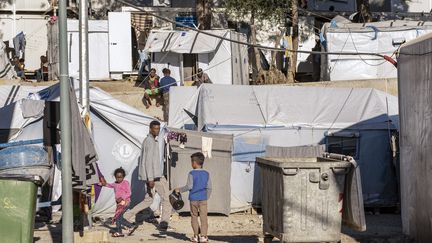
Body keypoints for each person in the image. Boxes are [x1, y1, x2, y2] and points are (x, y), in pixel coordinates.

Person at [125, 120, 173, 231]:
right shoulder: (150, 142)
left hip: (153, 176)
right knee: (167, 199)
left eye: (158, 128)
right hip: (155, 177)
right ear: (150, 129)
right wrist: (150, 179)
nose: (157, 130)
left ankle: (125, 216)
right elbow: (147, 162)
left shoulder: (150, 141)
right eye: (155, 128)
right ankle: (164, 223)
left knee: (148, 200)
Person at [175, 152, 212, 243]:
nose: (191, 164)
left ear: (194, 163)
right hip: (203, 199)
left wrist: (179, 189)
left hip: (193, 199)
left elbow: (189, 186)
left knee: (194, 217)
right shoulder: (206, 174)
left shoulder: (191, 173)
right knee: (204, 217)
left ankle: (196, 236)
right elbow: (209, 188)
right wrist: (206, 197)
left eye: (191, 162)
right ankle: (203, 237)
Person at [99, 167, 138, 237]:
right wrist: (103, 184)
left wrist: (122, 198)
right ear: (115, 177)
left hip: (125, 202)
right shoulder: (115, 184)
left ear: (123, 177)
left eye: (120, 177)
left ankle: (120, 231)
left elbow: (129, 193)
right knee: (119, 217)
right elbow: (109, 185)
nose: (119, 179)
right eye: (117, 177)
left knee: (118, 217)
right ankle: (131, 226)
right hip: (119, 204)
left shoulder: (126, 183)